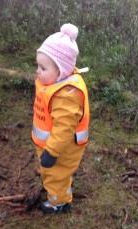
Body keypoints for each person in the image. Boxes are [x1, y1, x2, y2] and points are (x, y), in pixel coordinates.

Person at [32, 23, 90, 213]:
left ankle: (59, 202)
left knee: (56, 173)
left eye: (43, 68)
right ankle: (61, 186)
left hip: (62, 148)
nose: (38, 71)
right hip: (50, 143)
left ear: (61, 71)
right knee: (54, 172)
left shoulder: (66, 95)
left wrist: (52, 152)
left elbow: (64, 128)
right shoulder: (54, 83)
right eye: (37, 66)